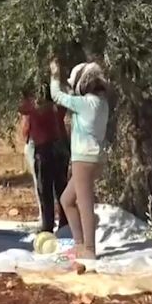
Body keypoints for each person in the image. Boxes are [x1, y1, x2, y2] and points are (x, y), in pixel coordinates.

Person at [49, 59, 109, 261]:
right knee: (67, 200)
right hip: (94, 158)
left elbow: (56, 96)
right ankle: (79, 244)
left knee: (84, 204)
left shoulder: (84, 104)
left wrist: (55, 75)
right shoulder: (101, 104)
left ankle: (89, 249)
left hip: (83, 158)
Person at [19, 83, 70, 233]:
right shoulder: (57, 105)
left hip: (43, 148)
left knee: (45, 189)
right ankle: (64, 223)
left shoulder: (33, 106)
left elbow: (23, 116)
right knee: (61, 187)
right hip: (60, 146)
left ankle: (47, 226)